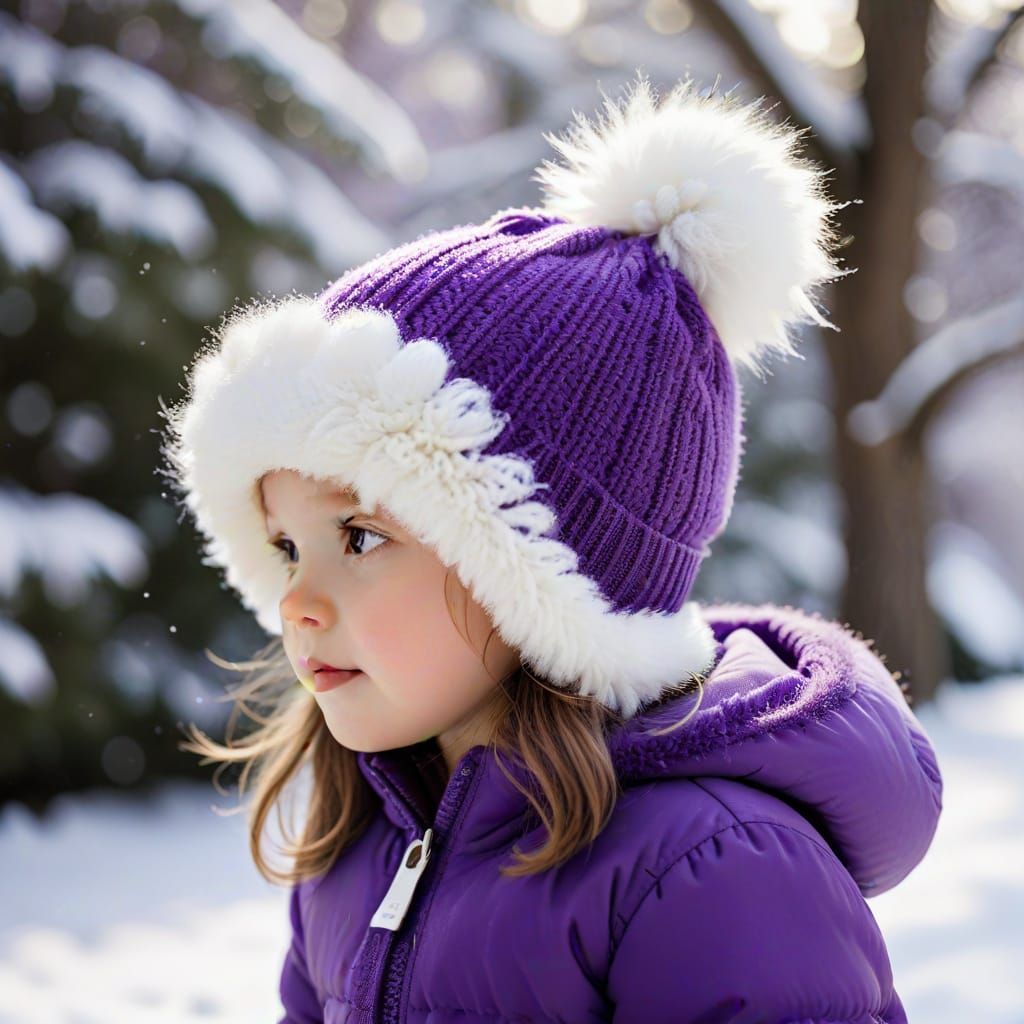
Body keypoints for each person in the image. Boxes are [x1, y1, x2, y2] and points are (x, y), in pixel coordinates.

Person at [159, 71, 943, 1023]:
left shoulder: (712, 866)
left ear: (544, 576)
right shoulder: (359, 841)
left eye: (360, 535)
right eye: (286, 546)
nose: (295, 601)